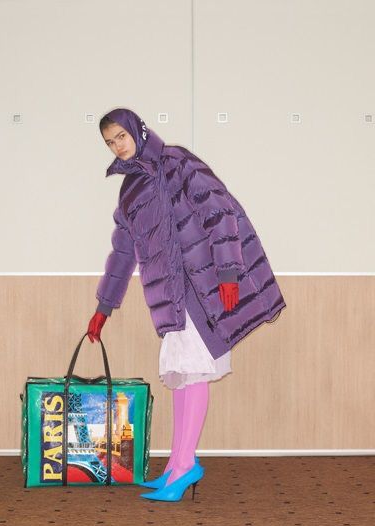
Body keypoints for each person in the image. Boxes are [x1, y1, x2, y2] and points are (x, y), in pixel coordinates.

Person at [87, 108, 286, 502]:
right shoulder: (129, 190)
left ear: (137, 130)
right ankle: (178, 463)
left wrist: (229, 272)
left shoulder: (176, 162)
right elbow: (122, 251)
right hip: (166, 295)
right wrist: (103, 307)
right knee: (181, 373)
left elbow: (220, 210)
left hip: (199, 286)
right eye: (110, 143)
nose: (117, 147)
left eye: (120, 137)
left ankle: (185, 465)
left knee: (193, 371)